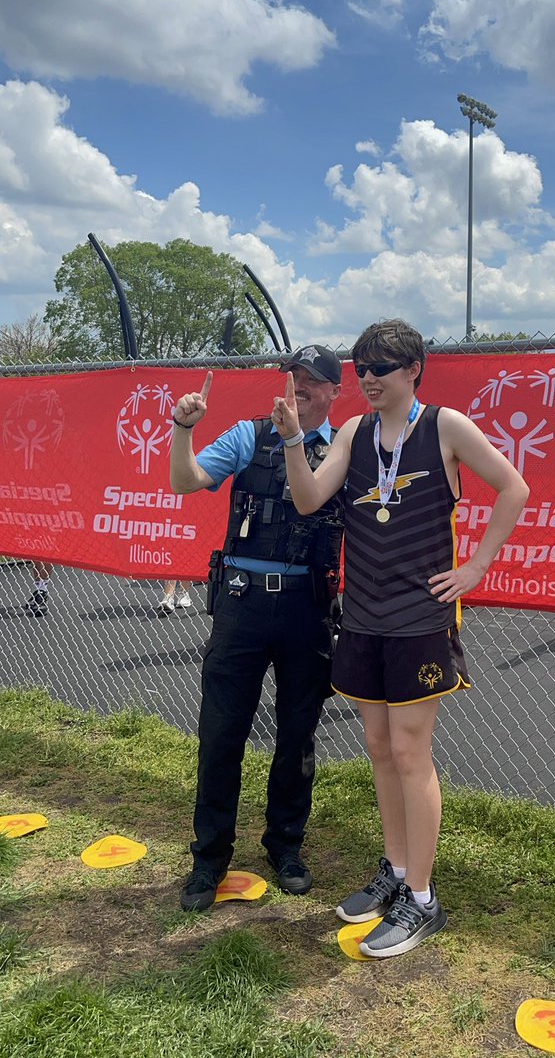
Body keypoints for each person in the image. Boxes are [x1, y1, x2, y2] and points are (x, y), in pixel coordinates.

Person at [272, 319, 529, 958]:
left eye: (381, 368)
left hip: (420, 615)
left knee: (412, 751)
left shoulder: (446, 426)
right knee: (380, 747)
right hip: (362, 614)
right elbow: (308, 500)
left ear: (414, 369)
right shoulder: (355, 432)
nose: (369, 379)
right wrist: (292, 441)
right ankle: (393, 866)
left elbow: (513, 489)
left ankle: (421, 898)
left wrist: (474, 569)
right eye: (362, 369)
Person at [170, 345, 344, 911]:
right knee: (221, 734)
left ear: (333, 392)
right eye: (292, 377)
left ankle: (285, 846)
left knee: (297, 738)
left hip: (307, 608)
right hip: (242, 607)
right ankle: (209, 858)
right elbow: (185, 480)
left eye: (311, 381)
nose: (298, 388)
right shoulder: (249, 436)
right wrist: (182, 429)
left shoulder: (345, 449)